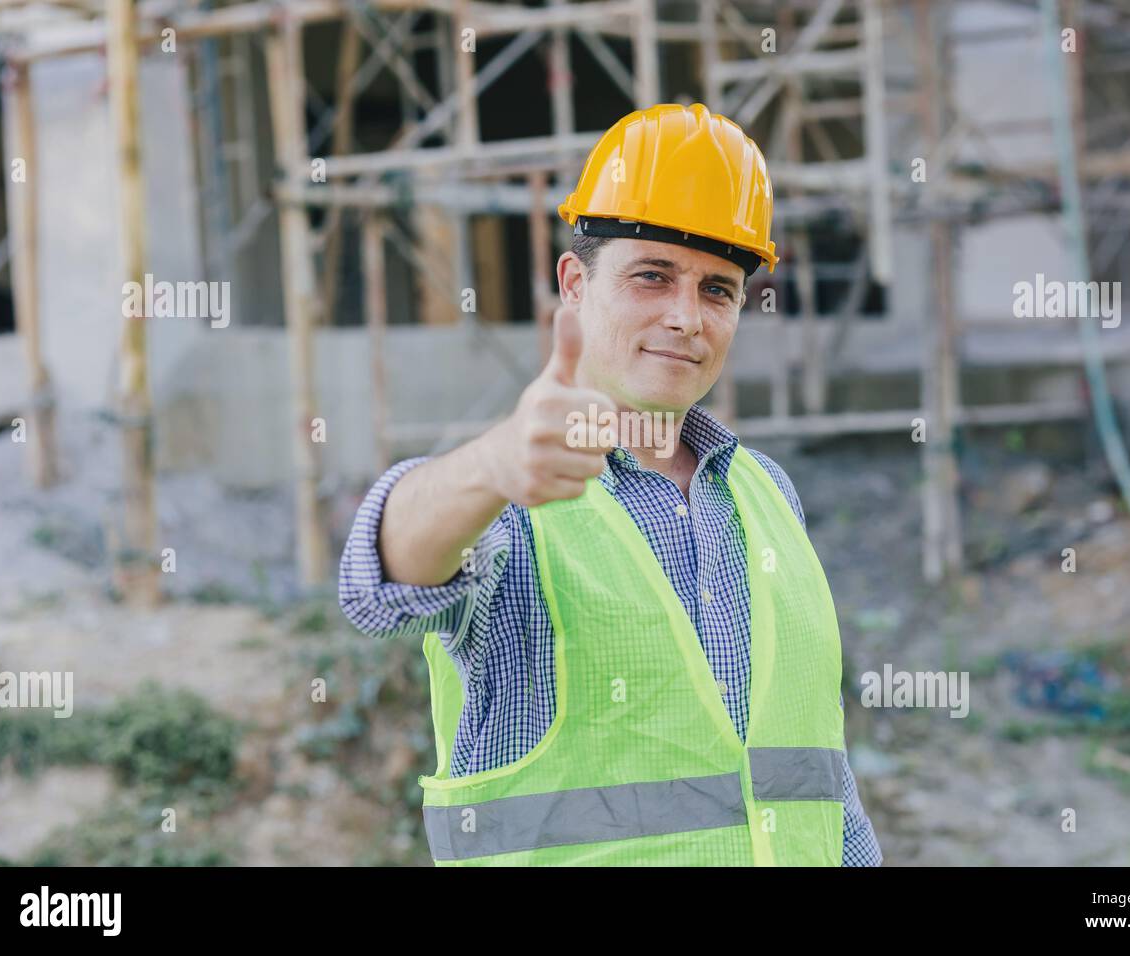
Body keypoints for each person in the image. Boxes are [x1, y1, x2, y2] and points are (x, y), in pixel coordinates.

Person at [340, 103, 882, 866]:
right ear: (574, 282)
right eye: (652, 276)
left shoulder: (768, 495)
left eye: (718, 289)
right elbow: (377, 583)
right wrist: (491, 466)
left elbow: (822, 781)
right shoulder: (512, 500)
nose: (687, 317)